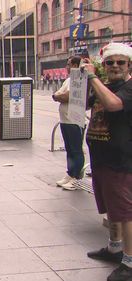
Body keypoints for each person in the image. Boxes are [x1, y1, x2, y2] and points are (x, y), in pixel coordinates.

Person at [81, 42, 132, 281]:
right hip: (100, 160)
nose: (115, 66)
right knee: (111, 209)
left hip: (120, 162)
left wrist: (92, 77)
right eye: (110, 62)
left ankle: (129, 263)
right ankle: (114, 247)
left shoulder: (128, 88)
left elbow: (113, 105)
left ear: (128, 65)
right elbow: (77, 103)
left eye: (120, 62)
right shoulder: (105, 86)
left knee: (125, 212)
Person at [52, 56, 84, 191]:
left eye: (69, 64)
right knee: (69, 149)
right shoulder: (68, 80)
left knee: (76, 149)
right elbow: (58, 94)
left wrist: (59, 96)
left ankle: (76, 177)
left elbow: (66, 96)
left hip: (75, 120)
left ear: (76, 65)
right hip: (64, 120)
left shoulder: (80, 79)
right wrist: (58, 96)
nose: (67, 67)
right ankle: (70, 174)